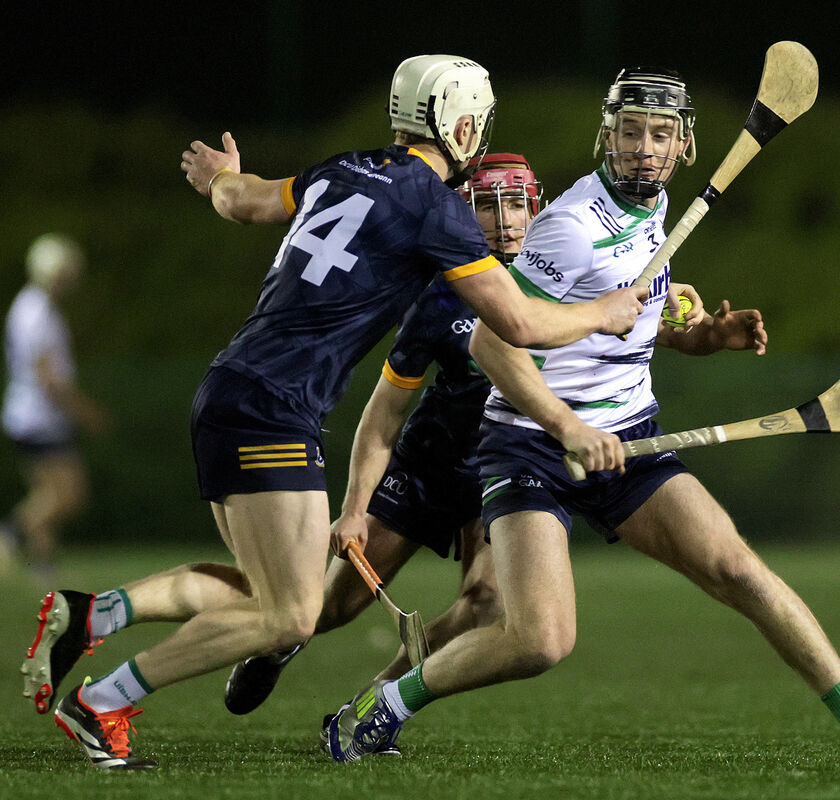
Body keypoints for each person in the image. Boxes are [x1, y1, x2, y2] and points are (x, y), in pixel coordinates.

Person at [22, 54, 646, 771]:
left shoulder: (344, 167)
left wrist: (222, 175)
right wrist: (606, 311)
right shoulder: (436, 207)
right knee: (291, 614)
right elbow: (523, 327)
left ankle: (90, 615)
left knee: (262, 593)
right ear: (463, 123)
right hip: (276, 408)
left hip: (231, 388)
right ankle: (104, 702)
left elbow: (243, 200)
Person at [325, 67, 840, 765]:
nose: (645, 147)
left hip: (630, 439)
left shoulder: (660, 213)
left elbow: (620, 319)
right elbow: (496, 342)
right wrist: (567, 427)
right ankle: (386, 704)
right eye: (632, 132)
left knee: (739, 570)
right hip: (528, 446)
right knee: (538, 641)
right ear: (606, 137)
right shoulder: (571, 228)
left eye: (661, 134)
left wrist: (699, 338)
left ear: (685, 146)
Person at [221, 154, 721, 727]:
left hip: (509, 462)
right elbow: (384, 413)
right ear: (462, 214)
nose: (505, 220)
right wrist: (354, 508)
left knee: (486, 605)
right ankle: (276, 643)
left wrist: (698, 332)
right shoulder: (441, 298)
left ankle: (376, 703)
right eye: (486, 205)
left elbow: (631, 328)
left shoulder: (577, 269)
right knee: (335, 604)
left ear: (539, 208)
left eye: (516, 204)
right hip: (435, 463)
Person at [2, 233, 109, 587]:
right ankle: (8, 539)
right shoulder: (35, 312)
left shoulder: (35, 306)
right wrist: (84, 410)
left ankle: (44, 566)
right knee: (67, 495)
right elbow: (48, 378)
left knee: (47, 494)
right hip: (38, 417)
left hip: (32, 415)